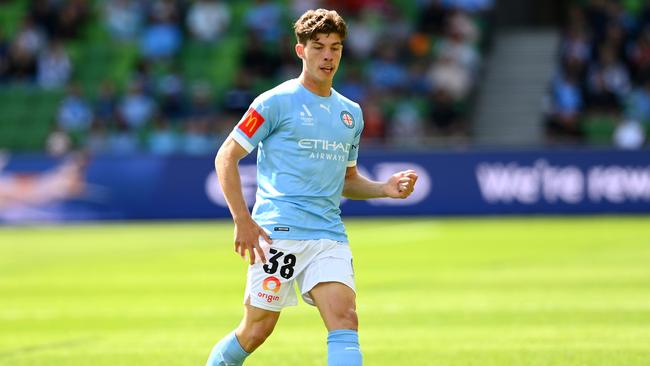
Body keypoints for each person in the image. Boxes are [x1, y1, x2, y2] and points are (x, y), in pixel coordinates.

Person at [207, 9, 418, 366]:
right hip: (279, 234)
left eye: (335, 48)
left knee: (345, 320)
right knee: (256, 330)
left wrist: (384, 188)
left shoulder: (350, 113)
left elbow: (347, 181)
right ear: (300, 50)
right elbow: (226, 157)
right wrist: (242, 220)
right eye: (319, 47)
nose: (328, 56)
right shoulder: (274, 102)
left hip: (327, 234)